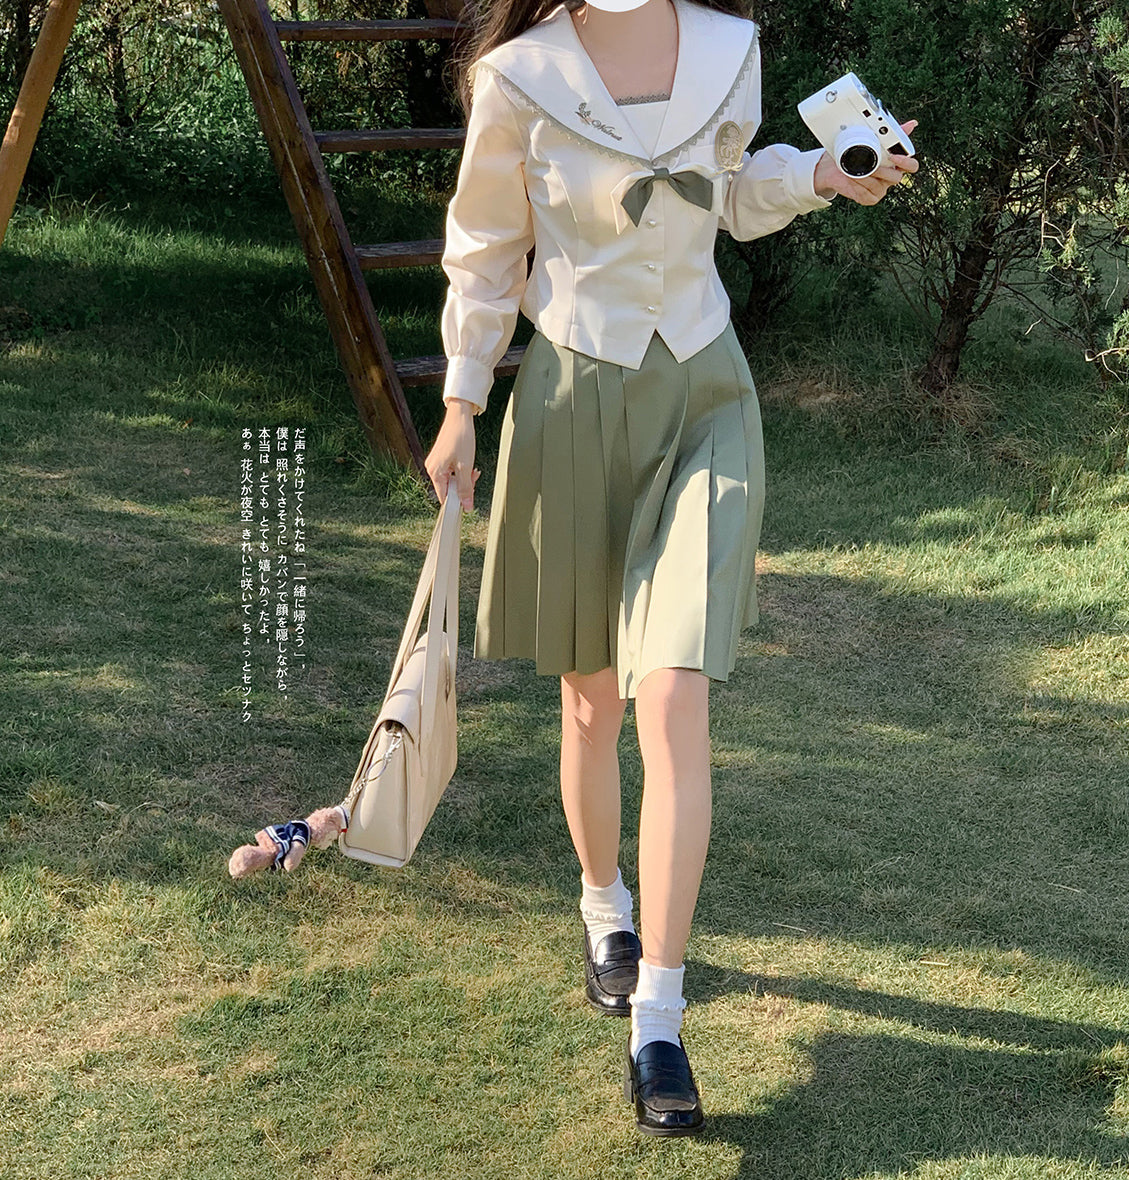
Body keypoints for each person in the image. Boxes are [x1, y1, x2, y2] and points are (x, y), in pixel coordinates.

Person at [424, 0, 918, 1137]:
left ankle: (659, 1017)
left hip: (705, 395)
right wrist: (460, 404)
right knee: (591, 702)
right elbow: (487, 250)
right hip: (571, 398)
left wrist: (823, 175)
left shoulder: (729, 48)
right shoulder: (519, 76)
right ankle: (605, 906)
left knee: (674, 693)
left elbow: (728, 195)